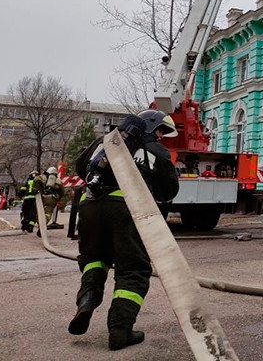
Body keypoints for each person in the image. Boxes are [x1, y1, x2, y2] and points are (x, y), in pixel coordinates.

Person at [68, 110, 179, 351]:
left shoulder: (105, 142)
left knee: (94, 258)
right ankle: (120, 330)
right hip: (127, 209)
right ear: (151, 127)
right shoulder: (156, 151)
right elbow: (169, 191)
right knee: (133, 269)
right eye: (161, 130)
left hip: (90, 206)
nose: (162, 136)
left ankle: (87, 300)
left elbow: (79, 168)